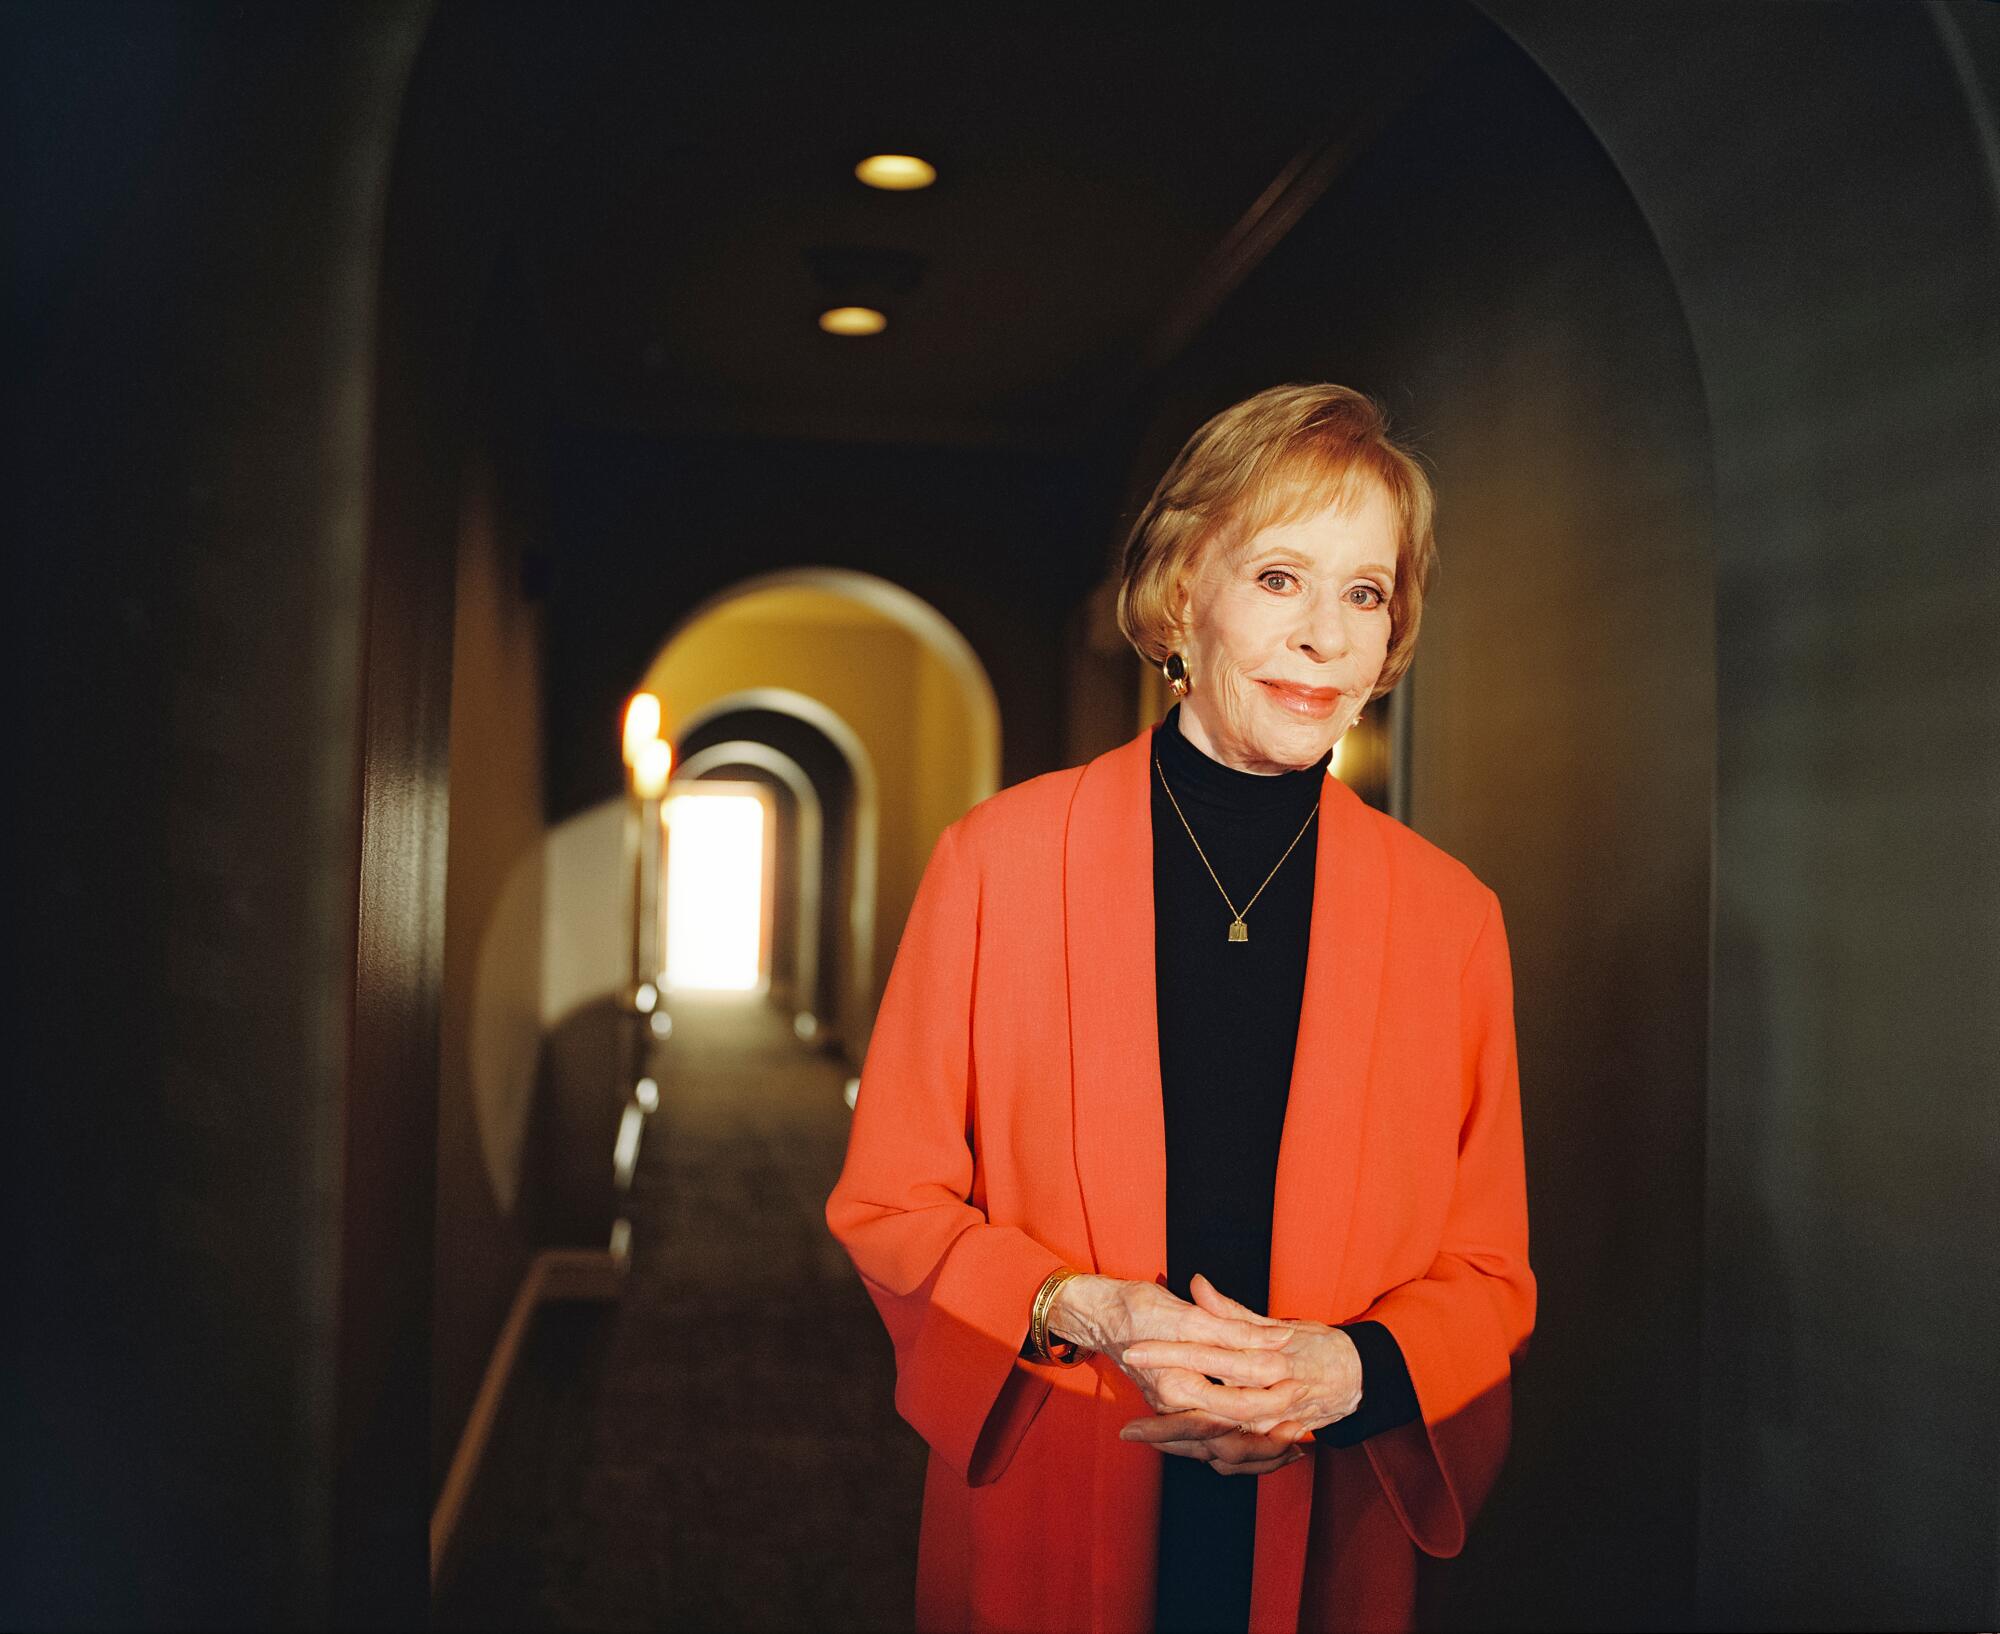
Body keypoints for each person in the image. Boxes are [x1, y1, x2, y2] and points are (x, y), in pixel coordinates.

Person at [825, 384, 1534, 1634]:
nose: (1320, 635)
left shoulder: (1451, 917)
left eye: (1362, 594)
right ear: (1178, 597)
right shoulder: (997, 863)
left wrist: (1340, 1377)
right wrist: (1083, 1307)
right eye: (1277, 577)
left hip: (1324, 1497)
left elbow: (1485, 1273)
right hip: (1070, 1455)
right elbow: (890, 1204)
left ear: (1391, 637)